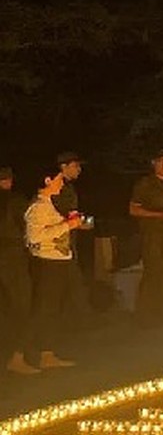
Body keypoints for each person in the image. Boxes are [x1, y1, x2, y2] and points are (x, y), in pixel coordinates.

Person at [22, 166, 80, 369]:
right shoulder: (38, 207)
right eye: (58, 179)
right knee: (43, 310)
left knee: (52, 310)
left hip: (59, 261)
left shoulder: (51, 205)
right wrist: (67, 226)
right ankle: (22, 354)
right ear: (47, 181)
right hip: (47, 264)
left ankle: (47, 353)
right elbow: (34, 238)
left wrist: (71, 223)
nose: (61, 183)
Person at [128, 150, 163, 328]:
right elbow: (134, 209)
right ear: (154, 163)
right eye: (162, 162)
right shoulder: (145, 184)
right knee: (153, 273)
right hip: (152, 235)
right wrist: (158, 215)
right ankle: (144, 316)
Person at [1, 166, 35, 374]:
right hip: (12, 257)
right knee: (22, 305)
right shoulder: (14, 201)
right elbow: (27, 225)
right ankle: (17, 356)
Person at [50, 150, 89, 333]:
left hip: (67, 241)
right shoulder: (56, 187)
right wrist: (75, 223)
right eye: (75, 165)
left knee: (71, 282)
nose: (79, 169)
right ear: (63, 167)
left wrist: (78, 221)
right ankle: (75, 324)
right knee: (65, 283)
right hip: (58, 243)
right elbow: (54, 215)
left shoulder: (68, 187)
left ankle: (73, 323)